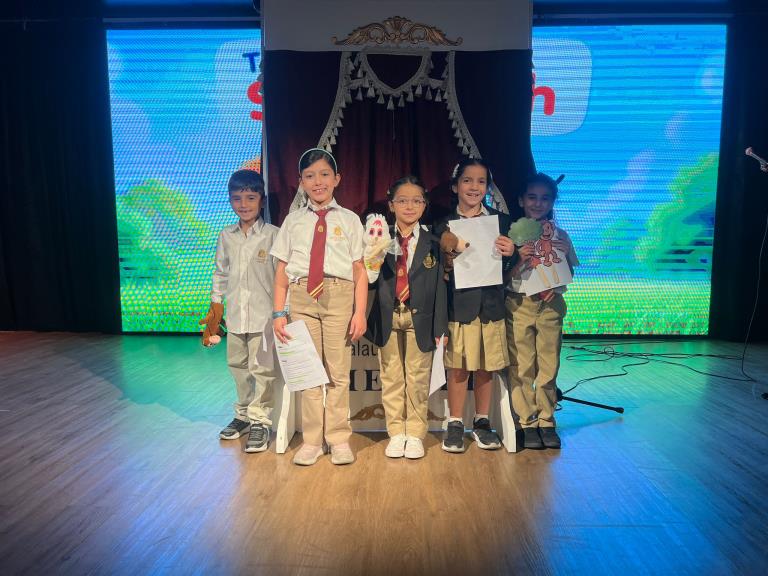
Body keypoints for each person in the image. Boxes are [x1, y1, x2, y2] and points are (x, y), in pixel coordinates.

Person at [270, 148, 367, 466]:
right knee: (310, 372)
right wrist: (279, 313)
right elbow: (282, 271)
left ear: (337, 179)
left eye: (324, 174)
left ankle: (338, 439)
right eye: (310, 176)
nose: (318, 181)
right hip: (302, 298)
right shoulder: (293, 221)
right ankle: (312, 440)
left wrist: (359, 312)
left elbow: (359, 270)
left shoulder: (349, 220)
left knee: (338, 372)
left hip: (339, 295)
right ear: (301, 182)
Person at [436, 158, 516, 453]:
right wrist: (448, 258)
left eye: (481, 181)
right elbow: (438, 271)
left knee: (486, 365)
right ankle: (455, 422)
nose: (474, 187)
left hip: (492, 305)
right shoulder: (443, 224)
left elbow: (508, 265)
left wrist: (511, 252)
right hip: (459, 306)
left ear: (488, 188)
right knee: (458, 365)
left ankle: (482, 421)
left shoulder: (501, 222)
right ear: (455, 186)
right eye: (467, 180)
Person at [364, 176, 448, 459]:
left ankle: (414, 433)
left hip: (420, 318)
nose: (409, 206)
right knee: (391, 377)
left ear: (424, 205)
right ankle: (396, 432)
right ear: (391, 205)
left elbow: (440, 288)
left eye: (416, 201)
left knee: (417, 378)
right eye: (402, 200)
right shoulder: (378, 237)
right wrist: (372, 255)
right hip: (387, 315)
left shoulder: (433, 242)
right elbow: (369, 279)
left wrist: (440, 326)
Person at [204, 169, 280, 453]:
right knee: (237, 366)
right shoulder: (226, 235)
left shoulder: (273, 235)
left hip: (264, 317)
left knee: (262, 369)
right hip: (236, 316)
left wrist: (281, 313)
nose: (244, 204)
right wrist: (215, 312)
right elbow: (220, 273)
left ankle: (260, 420)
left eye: (250, 197)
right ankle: (244, 415)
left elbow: (281, 278)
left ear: (261, 200)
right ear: (230, 201)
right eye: (237, 198)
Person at [506, 173, 579, 450]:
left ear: (552, 202)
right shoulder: (510, 235)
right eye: (532, 197)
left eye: (545, 198)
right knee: (522, 365)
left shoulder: (560, 235)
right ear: (521, 200)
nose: (538, 203)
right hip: (520, 304)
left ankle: (547, 420)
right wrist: (518, 258)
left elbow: (569, 271)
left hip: (551, 305)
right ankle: (527, 421)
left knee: (548, 365)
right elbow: (503, 276)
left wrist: (562, 259)